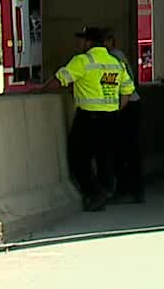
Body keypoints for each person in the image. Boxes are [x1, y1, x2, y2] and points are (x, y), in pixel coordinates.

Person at [38, 26, 135, 212]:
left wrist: (40, 91)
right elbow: (127, 92)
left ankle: (94, 191)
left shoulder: (83, 61)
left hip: (89, 118)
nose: (80, 43)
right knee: (105, 156)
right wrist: (114, 109)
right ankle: (106, 190)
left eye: (82, 39)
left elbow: (60, 80)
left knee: (78, 156)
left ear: (88, 42)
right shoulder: (115, 62)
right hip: (111, 117)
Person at [103, 30, 145, 205]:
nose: (105, 44)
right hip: (122, 105)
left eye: (107, 40)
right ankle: (126, 187)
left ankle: (134, 189)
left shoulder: (115, 57)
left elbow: (127, 85)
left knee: (128, 148)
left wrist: (118, 110)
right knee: (120, 150)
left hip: (126, 105)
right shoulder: (108, 58)